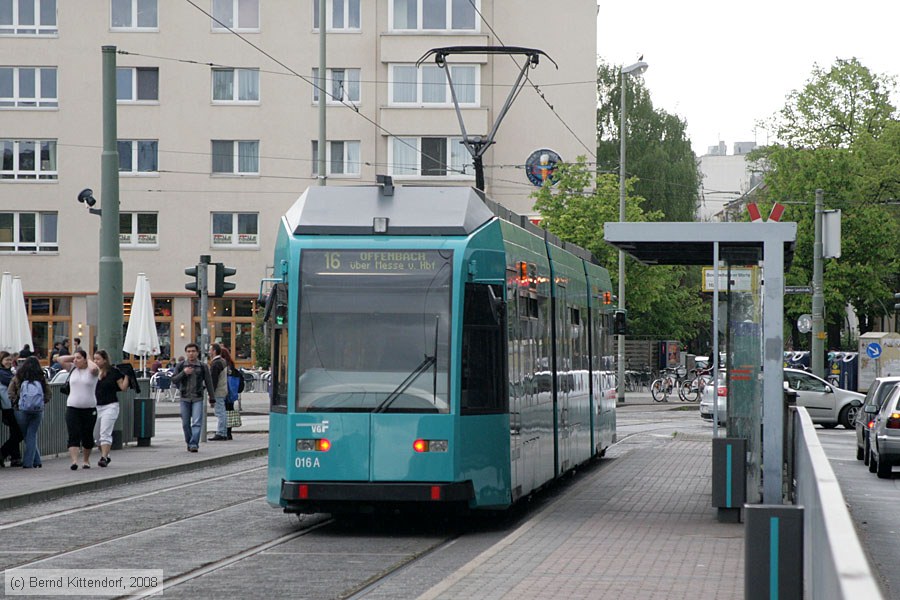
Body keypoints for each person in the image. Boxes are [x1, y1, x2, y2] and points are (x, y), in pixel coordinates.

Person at [58, 350, 100, 470]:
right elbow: (60, 360)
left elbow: (94, 369)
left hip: (89, 408)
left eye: (79, 358)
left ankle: (86, 460)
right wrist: (74, 357)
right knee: (73, 433)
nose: (75, 360)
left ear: (86, 359)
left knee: (87, 435)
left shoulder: (92, 371)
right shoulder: (72, 369)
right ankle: (74, 461)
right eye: (75, 358)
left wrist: (88, 358)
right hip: (72, 407)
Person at [7, 356, 50, 469]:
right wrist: (41, 402)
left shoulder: (18, 377)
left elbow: (10, 392)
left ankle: (28, 463)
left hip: (21, 410)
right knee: (31, 434)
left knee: (27, 435)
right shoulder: (41, 378)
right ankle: (36, 460)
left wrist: (17, 402)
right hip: (37, 410)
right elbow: (48, 393)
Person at [171, 343, 214, 452]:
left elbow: (209, 382)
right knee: (185, 423)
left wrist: (212, 397)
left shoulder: (202, 366)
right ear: (186, 353)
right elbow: (174, 379)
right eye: (189, 351)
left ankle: (194, 443)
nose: (191, 353)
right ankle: (189, 441)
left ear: (197, 353)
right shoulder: (180, 366)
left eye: (193, 351)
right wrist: (184, 373)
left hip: (197, 397)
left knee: (196, 422)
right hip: (184, 397)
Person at [93, 350, 128, 468]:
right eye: (94, 359)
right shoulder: (93, 372)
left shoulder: (114, 372)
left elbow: (122, 387)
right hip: (96, 406)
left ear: (105, 360)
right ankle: (106, 455)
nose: (96, 361)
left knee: (105, 432)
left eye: (98, 359)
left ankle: (103, 457)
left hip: (110, 405)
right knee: (96, 436)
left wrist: (128, 376)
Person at [0, 351, 24, 468]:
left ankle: (15, 457)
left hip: (11, 406)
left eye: (10, 360)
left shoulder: (9, 372)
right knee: (19, 433)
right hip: (8, 406)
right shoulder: (2, 373)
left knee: (15, 432)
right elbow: (13, 383)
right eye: (6, 360)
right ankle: (3, 452)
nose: (9, 362)